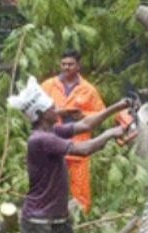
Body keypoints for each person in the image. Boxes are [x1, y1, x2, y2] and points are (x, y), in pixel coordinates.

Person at [8, 76, 128, 233]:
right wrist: (111, 134)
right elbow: (84, 149)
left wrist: (117, 107)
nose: (57, 109)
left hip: (60, 216)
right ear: (42, 113)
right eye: (53, 107)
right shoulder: (40, 140)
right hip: (39, 220)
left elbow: (85, 125)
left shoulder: (53, 131)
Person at [41, 50, 106, 213]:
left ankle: (81, 217)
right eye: (63, 64)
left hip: (79, 145)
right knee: (51, 184)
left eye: (70, 64)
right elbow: (37, 110)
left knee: (81, 188)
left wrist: (83, 115)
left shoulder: (88, 90)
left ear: (78, 66)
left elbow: (101, 113)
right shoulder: (48, 85)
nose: (66, 68)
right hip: (53, 143)